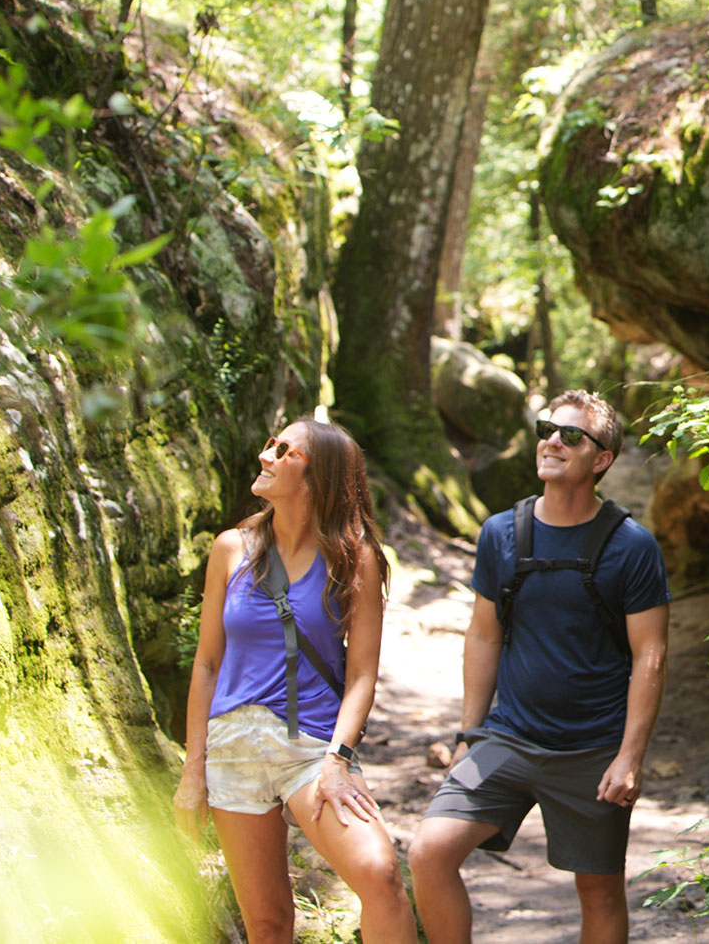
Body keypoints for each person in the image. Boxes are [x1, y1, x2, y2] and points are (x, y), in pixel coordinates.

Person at [409, 390, 671, 944]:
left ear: (600, 458)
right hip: (507, 738)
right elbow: (484, 635)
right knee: (429, 852)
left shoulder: (632, 547)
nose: (552, 440)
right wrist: (467, 734)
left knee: (599, 891)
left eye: (571, 434)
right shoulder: (500, 533)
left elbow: (651, 652)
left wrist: (629, 757)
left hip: (593, 751)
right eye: (547, 428)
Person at [173, 417, 414, 944]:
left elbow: (362, 675)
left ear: (318, 477)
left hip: (311, 747)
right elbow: (207, 662)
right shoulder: (230, 548)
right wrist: (194, 769)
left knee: (380, 876)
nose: (266, 455)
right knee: (267, 924)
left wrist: (338, 761)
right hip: (232, 748)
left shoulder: (354, 557)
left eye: (284, 451)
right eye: (269, 444)